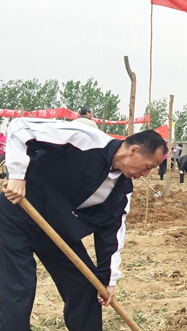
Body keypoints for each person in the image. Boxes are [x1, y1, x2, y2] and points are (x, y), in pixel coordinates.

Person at [0, 118, 166, 331]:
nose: (146, 174)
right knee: (18, 290)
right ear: (134, 151)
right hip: (17, 216)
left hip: (56, 230)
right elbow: (20, 128)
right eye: (148, 167)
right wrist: (17, 175)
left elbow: (112, 235)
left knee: (86, 286)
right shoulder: (85, 139)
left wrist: (108, 279)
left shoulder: (121, 191)